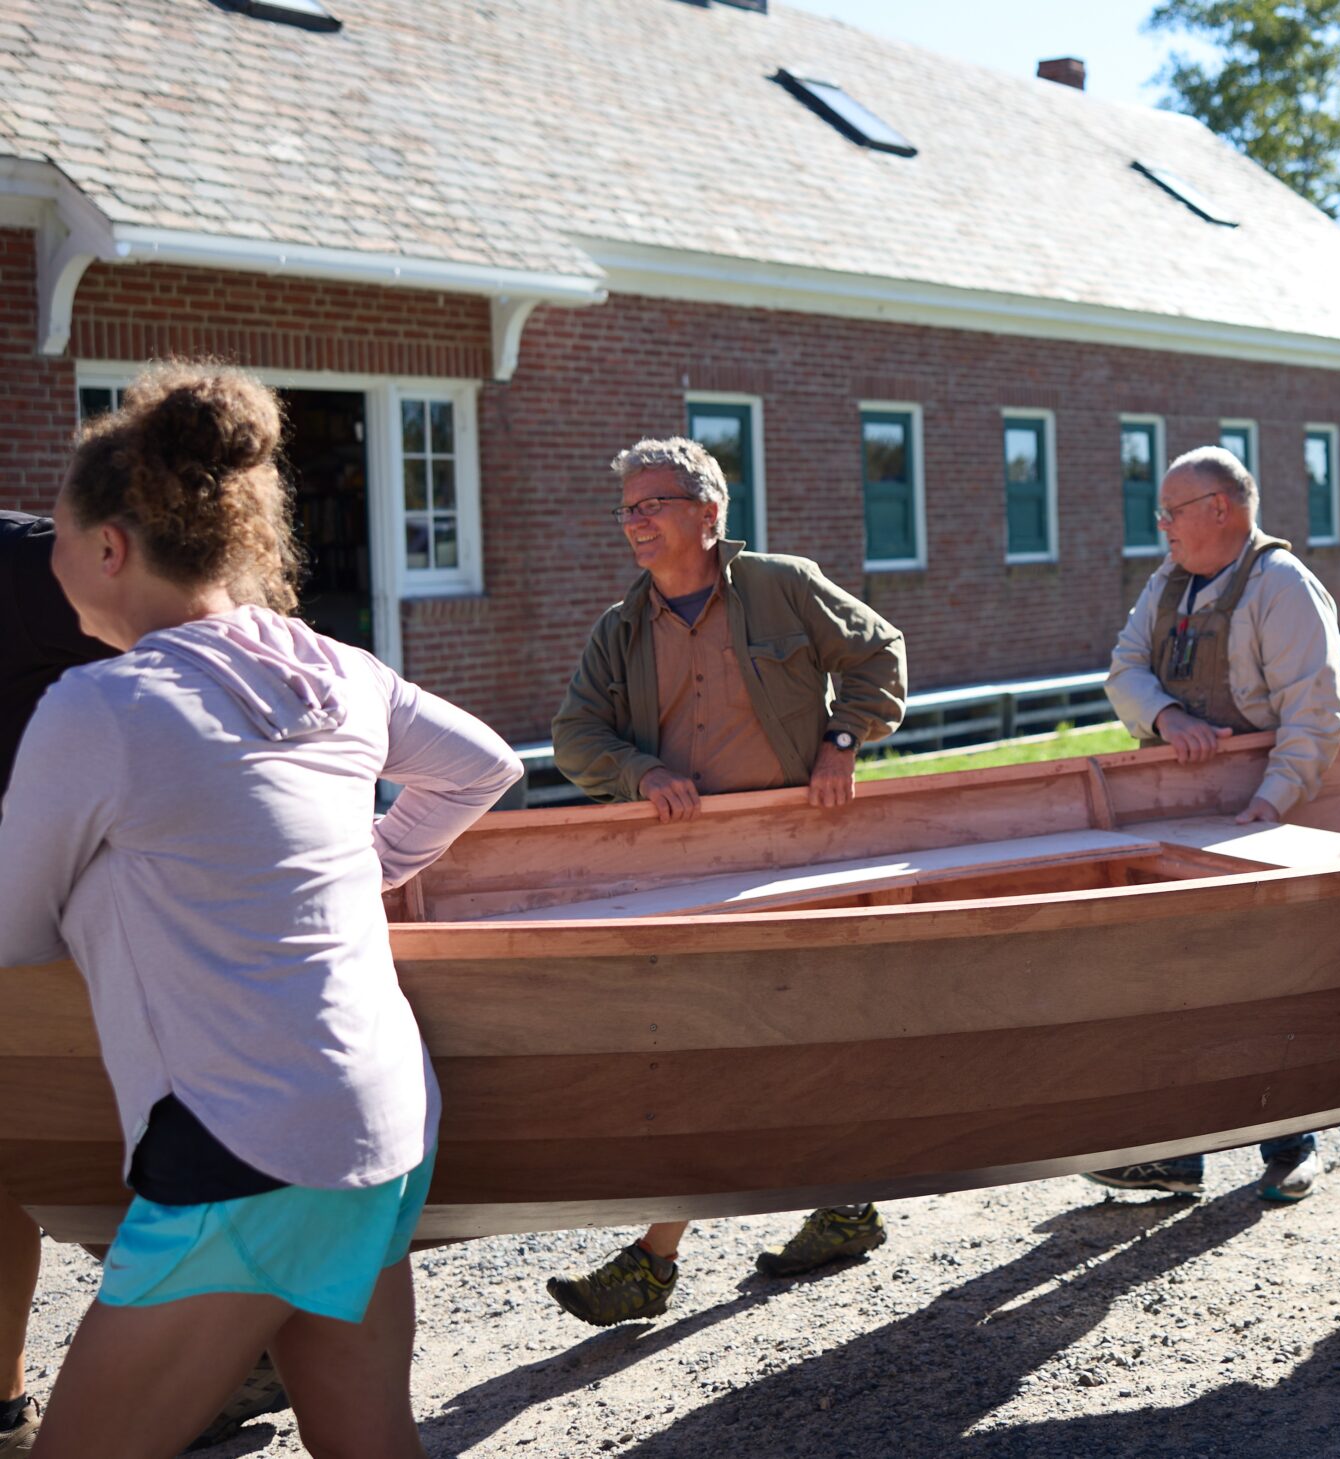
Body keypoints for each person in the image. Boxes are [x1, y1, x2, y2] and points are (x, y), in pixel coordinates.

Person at [0, 364, 520, 1458]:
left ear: (109, 549)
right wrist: (369, 862)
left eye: (56, 535)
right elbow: (480, 767)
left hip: (245, 1151)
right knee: (367, 1442)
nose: (46, 563)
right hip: (384, 1123)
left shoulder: (97, 705)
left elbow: (12, 929)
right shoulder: (336, 667)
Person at [544, 437, 908, 1326]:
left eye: (652, 503)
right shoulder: (620, 627)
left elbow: (878, 657)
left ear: (709, 512)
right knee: (731, 1043)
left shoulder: (783, 584)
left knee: (762, 1041)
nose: (634, 521)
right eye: (626, 507)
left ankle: (655, 1260)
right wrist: (640, 774)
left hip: (793, 848)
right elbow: (574, 738)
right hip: (687, 865)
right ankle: (841, 1207)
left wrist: (843, 741)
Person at [1085, 445, 1340, 1203]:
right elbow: (1124, 670)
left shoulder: (1283, 587)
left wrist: (1271, 804)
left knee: (1262, 980)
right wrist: (1165, 715)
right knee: (1171, 979)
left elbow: (1315, 718)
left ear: (1220, 510)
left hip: (1256, 815)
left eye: (1171, 511)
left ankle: (1292, 1143)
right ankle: (1177, 1154)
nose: (1159, 525)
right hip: (1170, 814)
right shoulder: (1166, 583)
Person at [0, 512, 113, 1455]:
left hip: (68, 929)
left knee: (91, 1150)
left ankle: (238, 1337)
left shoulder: (33, 561)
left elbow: (192, 651)